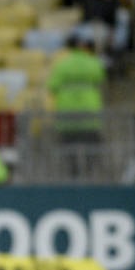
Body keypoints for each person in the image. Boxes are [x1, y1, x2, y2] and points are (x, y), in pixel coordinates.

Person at [48, 31, 107, 177]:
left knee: (69, 150)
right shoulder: (93, 62)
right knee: (92, 147)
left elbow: (52, 86)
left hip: (67, 115)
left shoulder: (62, 65)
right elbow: (100, 79)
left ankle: (73, 174)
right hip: (89, 113)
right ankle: (89, 173)